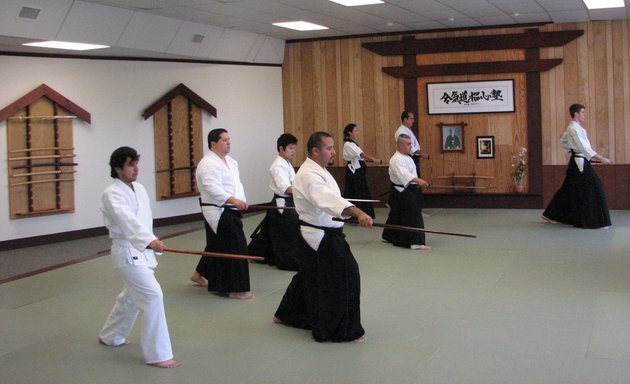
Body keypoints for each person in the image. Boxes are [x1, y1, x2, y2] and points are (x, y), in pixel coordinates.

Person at [273, 131, 373, 343]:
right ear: (315, 151)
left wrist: (350, 208)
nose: (333, 152)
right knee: (347, 275)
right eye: (329, 148)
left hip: (325, 231)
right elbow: (326, 199)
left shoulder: (319, 171)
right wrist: (356, 212)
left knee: (308, 274)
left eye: (333, 147)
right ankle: (342, 328)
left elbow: (334, 198)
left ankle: (286, 313)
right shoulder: (309, 174)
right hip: (319, 235)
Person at [98, 146, 180, 368]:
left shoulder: (140, 189)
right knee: (153, 296)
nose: (135, 168)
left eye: (136, 163)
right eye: (130, 164)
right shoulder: (112, 193)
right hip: (126, 252)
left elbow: (143, 220)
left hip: (142, 250)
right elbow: (126, 221)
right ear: (117, 168)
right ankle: (159, 354)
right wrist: (149, 240)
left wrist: (151, 241)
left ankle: (111, 335)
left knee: (131, 298)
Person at [190, 128, 254, 299]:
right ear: (213, 144)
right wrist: (232, 200)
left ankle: (198, 274)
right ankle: (234, 289)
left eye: (229, 139)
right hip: (217, 209)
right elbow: (212, 187)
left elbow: (235, 184)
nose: (229, 142)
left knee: (217, 244)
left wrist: (240, 200)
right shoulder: (207, 163)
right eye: (225, 140)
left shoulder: (231, 161)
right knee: (236, 245)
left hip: (231, 208)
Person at [542, 104, 612, 229]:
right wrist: (602, 158)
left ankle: (550, 214)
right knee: (595, 186)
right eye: (583, 112)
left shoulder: (574, 128)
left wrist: (571, 150)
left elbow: (563, 140)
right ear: (576, 114)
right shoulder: (573, 129)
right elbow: (583, 148)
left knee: (568, 189)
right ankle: (595, 220)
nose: (584, 115)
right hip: (580, 162)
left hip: (577, 161)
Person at [248, 133, 304, 271]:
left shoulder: (286, 163)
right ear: (281, 148)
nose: (293, 151)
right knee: (288, 231)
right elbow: (285, 187)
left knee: (268, 232)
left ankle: (255, 253)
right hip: (282, 203)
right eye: (290, 148)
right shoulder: (277, 166)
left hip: (288, 201)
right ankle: (288, 260)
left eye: (294, 148)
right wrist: (304, 192)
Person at [382, 134, 431, 250]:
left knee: (396, 213)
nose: (411, 146)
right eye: (408, 144)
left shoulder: (407, 157)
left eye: (411, 144)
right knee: (414, 214)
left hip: (406, 188)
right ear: (400, 144)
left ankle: (389, 235)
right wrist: (419, 181)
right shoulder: (397, 159)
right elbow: (404, 175)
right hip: (402, 189)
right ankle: (416, 242)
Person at [342, 123, 381, 218]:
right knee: (355, 192)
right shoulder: (348, 144)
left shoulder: (353, 144)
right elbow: (361, 155)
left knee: (359, 191)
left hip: (358, 170)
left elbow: (360, 157)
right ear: (349, 132)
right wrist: (373, 159)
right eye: (355, 131)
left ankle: (361, 214)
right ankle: (353, 215)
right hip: (354, 172)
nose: (357, 133)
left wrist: (371, 160)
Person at [394, 111, 428, 176]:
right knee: (412, 178)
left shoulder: (408, 130)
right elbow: (408, 147)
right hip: (408, 157)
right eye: (411, 119)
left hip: (413, 157)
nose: (413, 121)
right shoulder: (401, 131)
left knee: (415, 177)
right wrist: (421, 154)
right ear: (405, 119)